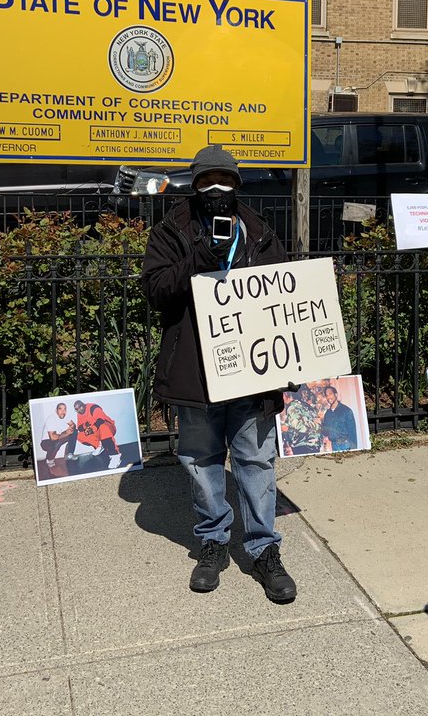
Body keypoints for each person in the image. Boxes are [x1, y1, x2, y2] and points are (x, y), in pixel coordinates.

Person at [141, 144, 296, 602]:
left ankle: (264, 549)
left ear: (237, 184)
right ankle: (212, 543)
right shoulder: (172, 230)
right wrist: (198, 261)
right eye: (206, 181)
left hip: (251, 371)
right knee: (202, 461)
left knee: (255, 460)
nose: (216, 189)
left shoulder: (260, 231)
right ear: (194, 184)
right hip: (196, 371)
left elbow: (283, 297)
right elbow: (156, 290)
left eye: (224, 181)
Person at [280, 386, 323, 456]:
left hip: (303, 445)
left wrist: (286, 429)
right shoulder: (306, 405)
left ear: (285, 394)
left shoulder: (291, 407)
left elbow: (299, 426)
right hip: (315, 444)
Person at [320, 385, 357, 452]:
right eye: (326, 395)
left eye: (330, 394)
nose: (328, 397)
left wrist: (354, 450)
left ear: (336, 395)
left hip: (346, 445)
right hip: (334, 446)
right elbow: (326, 432)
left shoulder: (346, 410)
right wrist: (320, 423)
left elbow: (352, 432)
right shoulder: (327, 414)